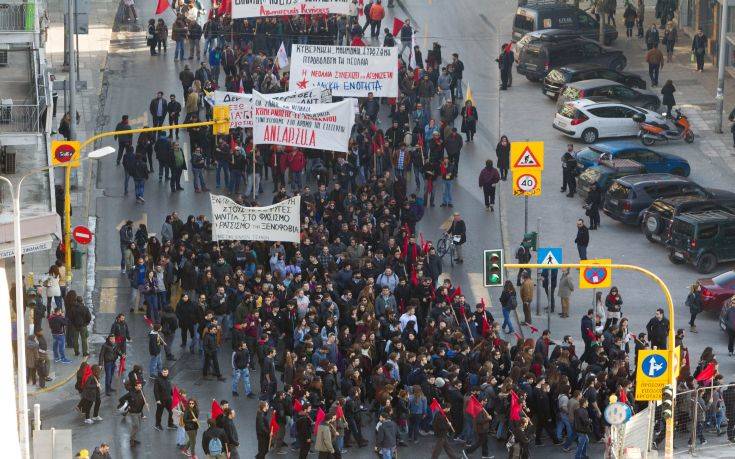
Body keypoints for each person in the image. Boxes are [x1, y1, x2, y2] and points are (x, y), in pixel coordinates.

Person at [128, 381, 146, 447]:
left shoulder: (141, 392)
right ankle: (131, 440)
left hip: (139, 412)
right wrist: (129, 406)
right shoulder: (131, 393)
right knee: (136, 426)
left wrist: (145, 403)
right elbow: (122, 399)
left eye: (141, 386)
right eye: (139, 386)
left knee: (136, 427)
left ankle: (134, 439)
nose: (140, 387)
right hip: (133, 412)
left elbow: (142, 401)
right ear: (135, 387)